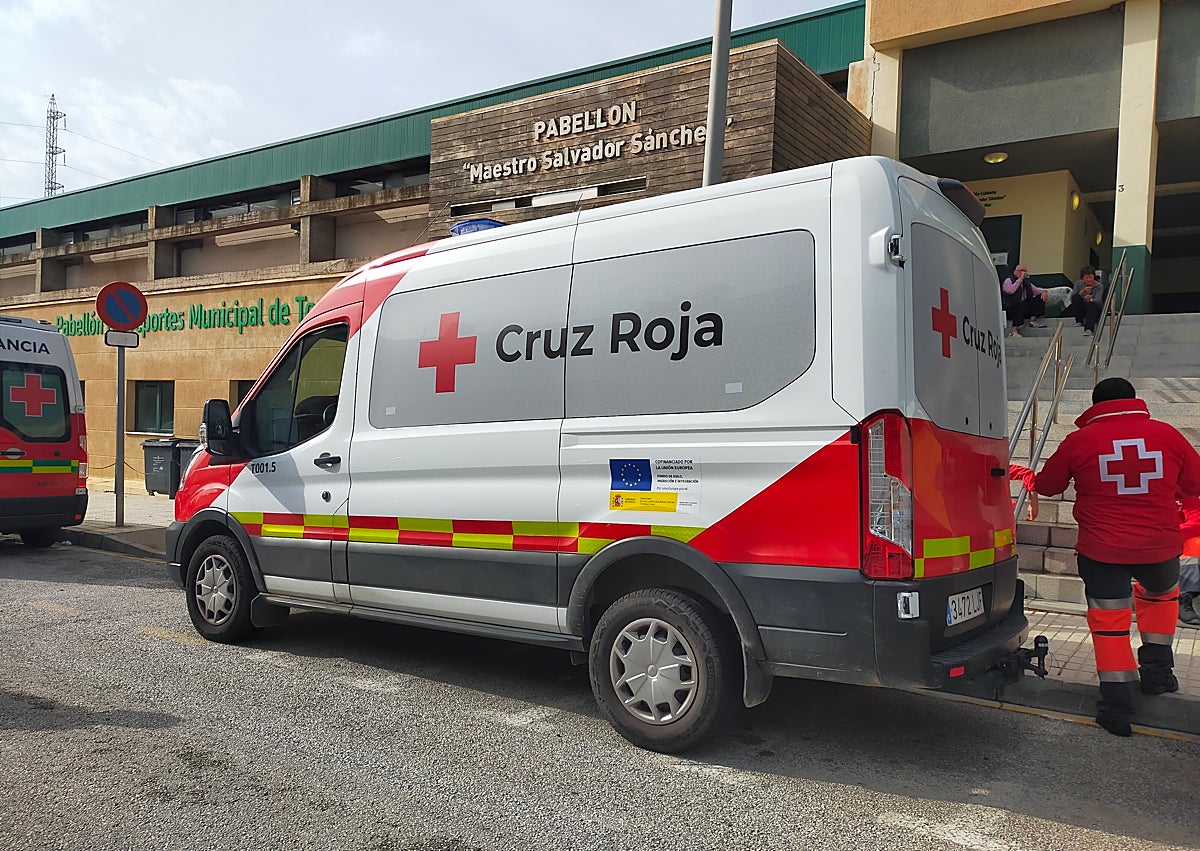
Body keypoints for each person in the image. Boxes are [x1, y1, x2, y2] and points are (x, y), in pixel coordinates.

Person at [1031, 377, 1200, 736]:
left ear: (1094, 405)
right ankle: (1157, 676)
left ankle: (1117, 709)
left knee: (1110, 628)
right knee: (1159, 602)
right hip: (1159, 549)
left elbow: (1048, 486)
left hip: (1102, 550)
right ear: (1134, 400)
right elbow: (1195, 484)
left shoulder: (1080, 440)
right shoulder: (1167, 434)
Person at [1001, 264, 1048, 336]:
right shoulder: (1009, 280)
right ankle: (1014, 330)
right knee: (1019, 303)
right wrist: (1020, 280)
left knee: (1039, 297)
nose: (1024, 272)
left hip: (1023, 307)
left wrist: (1044, 292)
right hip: (1011, 307)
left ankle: (1032, 321)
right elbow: (1010, 291)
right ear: (1015, 272)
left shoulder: (1027, 283)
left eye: (1025, 271)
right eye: (1021, 271)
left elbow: (1037, 291)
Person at [1180, 497, 1200, 625]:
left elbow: (1197, 522)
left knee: (1196, 544)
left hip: (1179, 538)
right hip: (1152, 539)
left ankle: (1184, 597)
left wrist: (1174, 533)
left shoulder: (1187, 497)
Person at [1069, 265, 1105, 335]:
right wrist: (1083, 292)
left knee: (1092, 305)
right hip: (1083, 307)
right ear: (1083, 278)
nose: (1089, 280)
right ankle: (1079, 321)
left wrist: (1091, 299)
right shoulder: (1078, 284)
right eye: (1087, 278)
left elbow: (1099, 300)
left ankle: (1089, 329)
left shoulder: (1099, 286)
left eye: (1091, 277)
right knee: (1076, 297)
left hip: (1094, 307)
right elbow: (1072, 298)